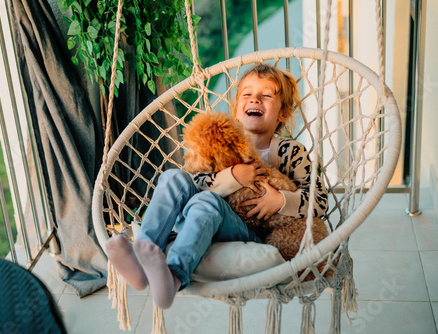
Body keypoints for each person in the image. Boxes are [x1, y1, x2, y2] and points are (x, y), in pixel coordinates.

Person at [104, 63, 329, 309]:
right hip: (199, 215)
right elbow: (196, 180)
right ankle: (143, 253)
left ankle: (175, 276)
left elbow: (319, 200)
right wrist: (232, 176)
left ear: (283, 113)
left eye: (266, 95)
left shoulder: (290, 151)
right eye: (247, 94)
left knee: (207, 201)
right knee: (173, 177)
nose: (255, 99)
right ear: (236, 108)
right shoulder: (219, 142)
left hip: (247, 230)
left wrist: (280, 201)